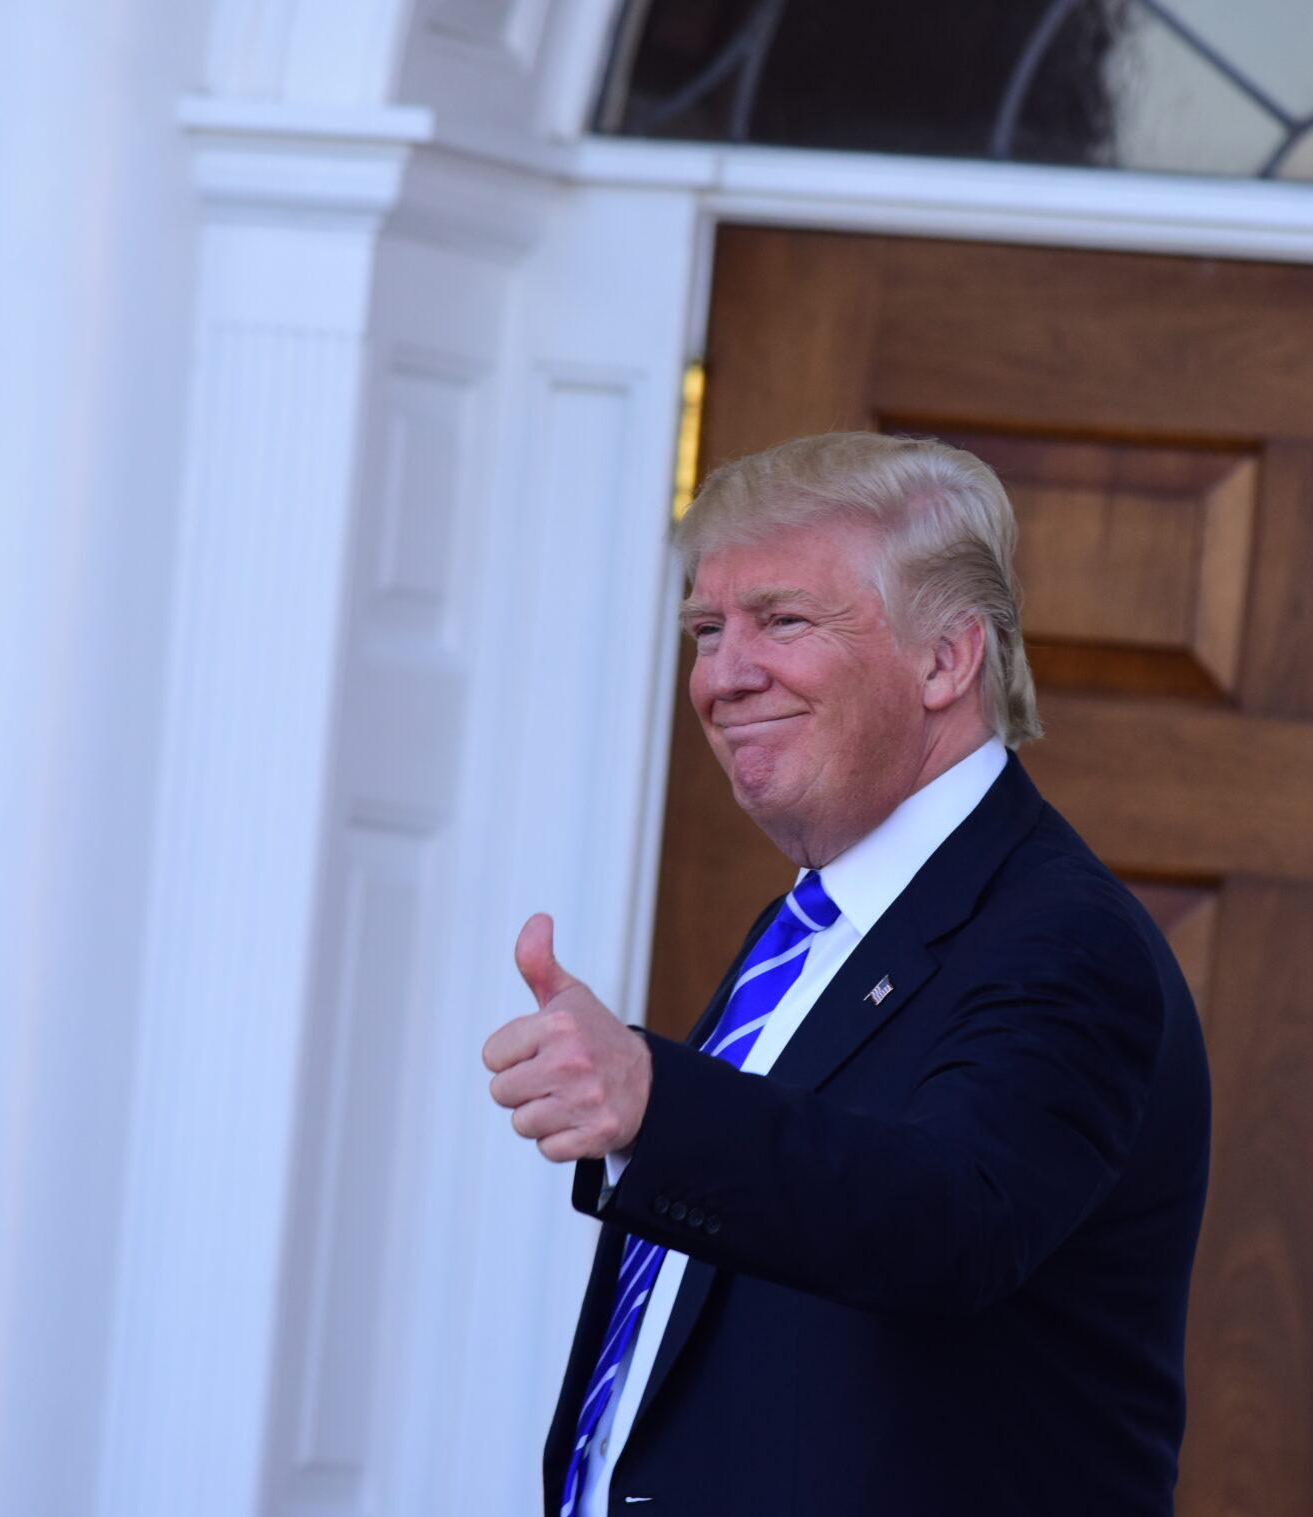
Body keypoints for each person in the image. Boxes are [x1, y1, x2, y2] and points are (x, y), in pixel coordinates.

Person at [482, 431, 1210, 1516]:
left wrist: (651, 1096)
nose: (723, 675)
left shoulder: (1063, 938)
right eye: (704, 630)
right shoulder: (819, 924)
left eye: (781, 620)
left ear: (945, 659)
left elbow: (952, 1220)